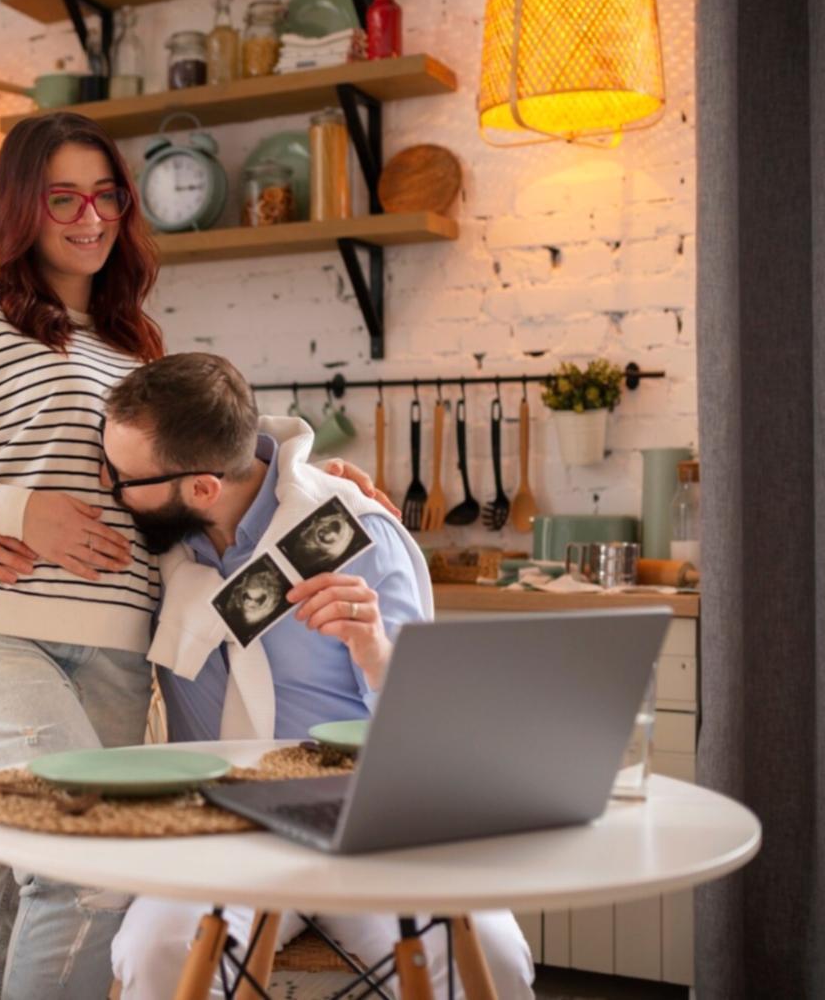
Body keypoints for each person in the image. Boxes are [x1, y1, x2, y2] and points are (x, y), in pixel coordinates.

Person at [0, 113, 384, 999]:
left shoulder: (139, 338)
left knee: (45, 879)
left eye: (104, 195)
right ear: (21, 206)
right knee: (87, 869)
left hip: (115, 647)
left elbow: (198, 470)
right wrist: (10, 513)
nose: (88, 216)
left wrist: (301, 475)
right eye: (62, 196)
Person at [98, 353, 536, 1000]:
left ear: (201, 489)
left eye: (124, 478)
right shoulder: (148, 541)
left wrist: (374, 650)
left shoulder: (357, 531)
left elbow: (422, 725)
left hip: (356, 815)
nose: (109, 486)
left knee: (487, 957)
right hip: (217, 820)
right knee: (156, 952)